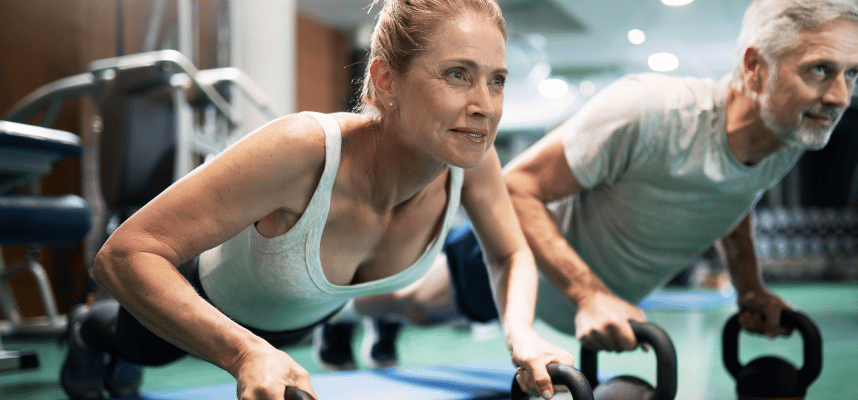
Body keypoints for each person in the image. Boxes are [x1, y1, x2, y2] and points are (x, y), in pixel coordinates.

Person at [59, 1, 575, 399]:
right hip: (205, 299)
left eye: (497, 80)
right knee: (141, 347)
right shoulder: (304, 149)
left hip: (298, 316)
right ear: (385, 80)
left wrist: (521, 335)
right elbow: (124, 254)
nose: (484, 106)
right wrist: (244, 351)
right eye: (457, 74)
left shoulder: (470, 161)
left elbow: (511, 252)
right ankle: (87, 331)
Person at [328, 0, 858, 367]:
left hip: (592, 300)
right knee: (412, 300)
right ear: (755, 68)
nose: (840, 96)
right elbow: (516, 189)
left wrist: (749, 287)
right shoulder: (649, 110)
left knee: (419, 303)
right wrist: (587, 293)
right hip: (522, 262)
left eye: (851, 74)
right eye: (820, 71)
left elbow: (733, 194)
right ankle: (347, 315)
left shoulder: (790, 135)